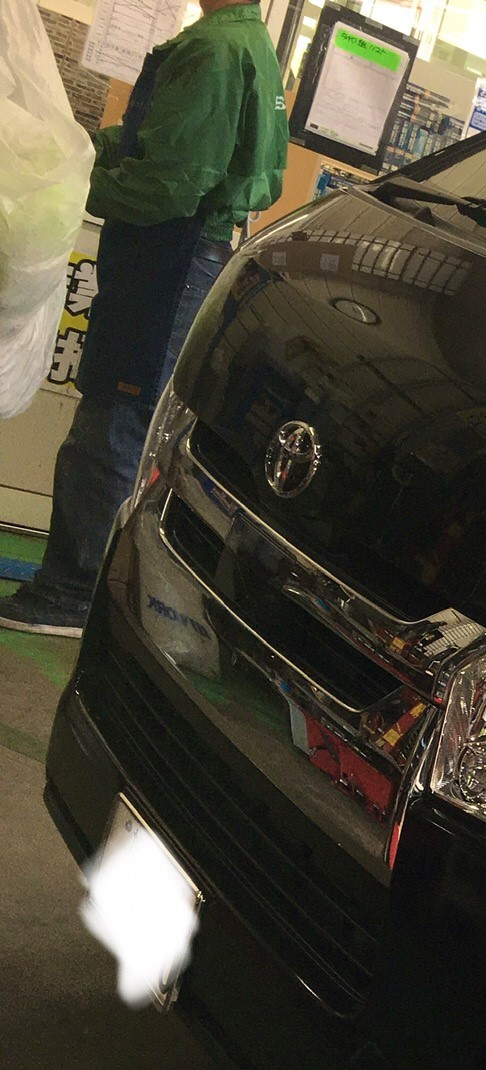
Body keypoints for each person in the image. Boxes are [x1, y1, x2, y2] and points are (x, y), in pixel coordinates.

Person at [0, 0, 286, 637]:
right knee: (123, 421)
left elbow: (167, 186)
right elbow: (155, 142)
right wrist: (72, 147)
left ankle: (72, 592)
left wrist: (63, 187)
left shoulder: (214, 52)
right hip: (184, 259)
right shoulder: (247, 43)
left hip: (168, 263)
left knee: (112, 429)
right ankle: (83, 584)